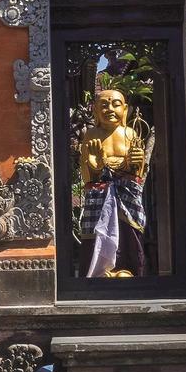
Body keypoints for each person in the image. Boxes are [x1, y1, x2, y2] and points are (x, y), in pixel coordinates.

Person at [77, 89, 148, 278]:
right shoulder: (91, 134)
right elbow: (88, 173)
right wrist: (96, 162)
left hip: (127, 193)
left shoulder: (130, 133)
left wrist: (138, 160)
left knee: (128, 232)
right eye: (104, 105)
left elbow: (138, 171)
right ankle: (100, 270)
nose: (110, 109)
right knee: (99, 231)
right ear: (95, 112)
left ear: (125, 110)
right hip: (101, 193)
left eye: (116, 104)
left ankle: (127, 268)